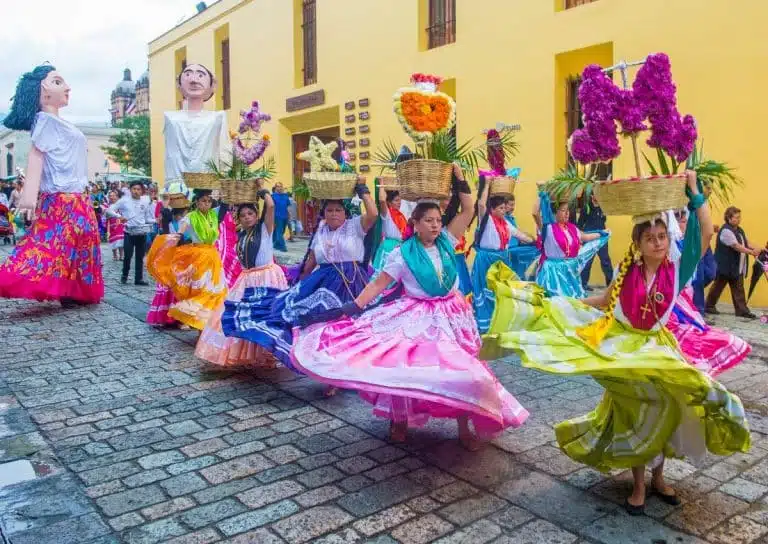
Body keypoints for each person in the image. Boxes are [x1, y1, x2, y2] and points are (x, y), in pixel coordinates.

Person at [483, 170, 749, 515]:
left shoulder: (677, 269)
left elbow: (707, 231)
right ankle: (638, 483)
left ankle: (658, 478)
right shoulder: (627, 273)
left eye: (661, 237)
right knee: (634, 412)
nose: (657, 242)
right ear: (637, 244)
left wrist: (695, 191)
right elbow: (605, 300)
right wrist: (566, 304)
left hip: (658, 347)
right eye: (649, 238)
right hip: (625, 350)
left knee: (668, 408)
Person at [291, 165, 528, 448]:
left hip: (453, 316)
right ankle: (399, 418)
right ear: (415, 223)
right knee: (405, 369)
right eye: (428, 220)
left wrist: (461, 179)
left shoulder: (447, 241)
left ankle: (464, 423)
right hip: (418, 316)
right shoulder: (400, 255)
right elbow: (378, 284)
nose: (435, 225)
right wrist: (351, 307)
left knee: (466, 369)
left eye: (438, 220)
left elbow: (467, 210)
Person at [222, 179, 376, 369]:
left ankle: (353, 366)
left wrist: (363, 189)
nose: (334, 214)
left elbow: (373, 213)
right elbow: (310, 261)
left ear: (345, 213)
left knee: (353, 325)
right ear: (324, 214)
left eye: (338, 210)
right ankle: (331, 370)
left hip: (353, 283)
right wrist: (297, 286)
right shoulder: (320, 231)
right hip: (324, 285)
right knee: (323, 327)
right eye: (329, 210)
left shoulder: (355, 226)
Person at [0, 65, 103, 307]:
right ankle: (28, 281)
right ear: (42, 93)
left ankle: (74, 291)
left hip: (78, 196)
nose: (67, 87)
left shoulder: (57, 121)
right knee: (52, 245)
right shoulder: (45, 120)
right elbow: (36, 155)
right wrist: (28, 196)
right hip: (61, 197)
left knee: (81, 243)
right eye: (57, 82)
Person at [196, 184, 289, 367]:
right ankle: (251, 354)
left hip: (267, 278)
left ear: (256, 216)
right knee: (240, 315)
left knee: (265, 316)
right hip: (247, 279)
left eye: (250, 214)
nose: (247, 218)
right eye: (243, 215)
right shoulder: (242, 236)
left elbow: (270, 207)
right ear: (238, 219)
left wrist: (263, 191)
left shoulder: (264, 229)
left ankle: (268, 354)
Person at [666, 208, 751, 376]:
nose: (682, 219)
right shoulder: (665, 248)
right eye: (677, 216)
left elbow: (707, 233)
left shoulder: (685, 252)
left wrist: (698, 198)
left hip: (680, 305)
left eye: (684, 216)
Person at [147, 189, 227, 330]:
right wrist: (168, 246)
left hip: (213, 256)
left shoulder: (213, 215)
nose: (206, 204)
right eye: (203, 201)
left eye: (209, 201)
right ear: (197, 202)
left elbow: (225, 205)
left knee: (214, 289)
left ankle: (205, 323)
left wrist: (225, 191)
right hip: (198, 256)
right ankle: (192, 319)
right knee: (199, 290)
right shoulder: (190, 217)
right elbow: (180, 233)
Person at [472, 184, 536, 333]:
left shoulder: (505, 223)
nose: (504, 210)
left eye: (504, 208)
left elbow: (519, 235)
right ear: (492, 209)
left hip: (501, 262)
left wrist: (534, 241)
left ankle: (501, 320)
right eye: (500, 208)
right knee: (487, 291)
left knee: (502, 292)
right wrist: (486, 183)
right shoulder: (486, 220)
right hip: (486, 261)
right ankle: (486, 324)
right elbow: (481, 204)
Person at [532, 194, 609, 298]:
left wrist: (601, 233)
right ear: (555, 212)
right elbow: (535, 213)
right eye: (563, 210)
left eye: (568, 210)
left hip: (569, 271)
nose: (567, 213)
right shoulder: (548, 229)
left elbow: (585, 237)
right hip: (553, 273)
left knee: (571, 300)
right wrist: (540, 194)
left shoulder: (571, 228)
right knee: (556, 301)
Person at [706, 206, 760, 318]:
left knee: (738, 288)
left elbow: (745, 242)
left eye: (739, 217)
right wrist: (751, 252)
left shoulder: (739, 230)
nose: (739, 219)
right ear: (729, 218)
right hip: (725, 265)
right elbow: (736, 246)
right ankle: (709, 306)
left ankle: (742, 311)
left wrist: (758, 248)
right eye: (736, 217)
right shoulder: (726, 231)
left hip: (736, 267)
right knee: (718, 287)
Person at [146, 191, 189, 327]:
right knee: (179, 287)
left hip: (176, 258)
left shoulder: (174, 222)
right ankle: (177, 318)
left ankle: (173, 317)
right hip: (178, 258)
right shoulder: (179, 222)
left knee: (174, 286)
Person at [107, 180, 153, 285]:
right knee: (127, 256)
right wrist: (119, 216)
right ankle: (124, 276)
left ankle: (138, 279)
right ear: (130, 190)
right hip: (129, 232)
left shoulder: (145, 201)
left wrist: (155, 220)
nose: (136, 191)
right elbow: (110, 210)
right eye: (134, 189)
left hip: (142, 232)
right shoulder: (124, 200)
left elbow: (147, 218)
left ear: (142, 191)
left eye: (138, 189)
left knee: (140, 257)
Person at [578, 193, 613, 291]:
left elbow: (603, 220)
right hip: (590, 238)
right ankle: (583, 285)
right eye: (595, 194)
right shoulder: (587, 208)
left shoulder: (602, 207)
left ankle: (610, 284)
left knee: (605, 261)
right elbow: (580, 224)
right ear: (592, 195)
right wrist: (581, 239)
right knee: (587, 261)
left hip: (602, 238)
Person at [371, 187, 409, 273]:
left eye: (400, 200)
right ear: (389, 202)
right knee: (383, 275)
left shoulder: (401, 215)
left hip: (400, 247)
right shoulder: (387, 214)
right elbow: (382, 200)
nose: (399, 203)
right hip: (389, 247)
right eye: (396, 200)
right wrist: (381, 184)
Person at [504, 195, 540, 279]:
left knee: (537, 250)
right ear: (504, 205)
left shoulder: (512, 218)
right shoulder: (503, 219)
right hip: (510, 249)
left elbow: (518, 235)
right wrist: (531, 241)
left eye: (514, 205)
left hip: (517, 246)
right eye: (510, 205)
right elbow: (517, 234)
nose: (513, 207)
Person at [105, 190, 125, 261]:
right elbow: (106, 217)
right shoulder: (107, 206)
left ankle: (122, 255)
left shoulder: (121, 205)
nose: (112, 197)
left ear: (117, 197)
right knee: (113, 241)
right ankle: (115, 255)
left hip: (120, 225)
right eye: (110, 196)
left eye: (114, 196)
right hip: (112, 226)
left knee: (121, 240)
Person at [271, 182, 290, 251]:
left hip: (285, 216)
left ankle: (275, 244)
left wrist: (288, 215)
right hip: (277, 216)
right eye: (278, 186)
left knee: (282, 231)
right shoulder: (273, 196)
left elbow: (287, 206)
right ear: (275, 188)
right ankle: (282, 247)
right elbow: (271, 208)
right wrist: (272, 219)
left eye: (280, 186)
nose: (279, 188)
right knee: (279, 231)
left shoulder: (285, 196)